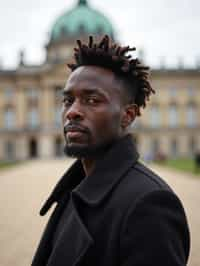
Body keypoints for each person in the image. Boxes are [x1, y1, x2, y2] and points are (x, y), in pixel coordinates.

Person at [32, 35, 190, 266]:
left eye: (92, 100)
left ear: (128, 115)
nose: (72, 112)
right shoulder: (74, 190)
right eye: (67, 100)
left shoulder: (150, 204)